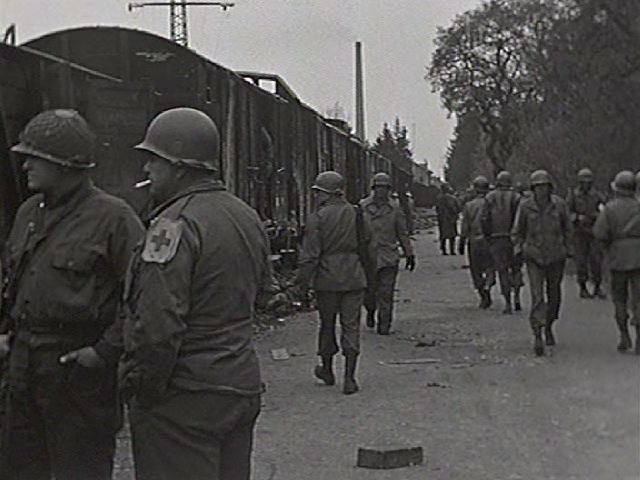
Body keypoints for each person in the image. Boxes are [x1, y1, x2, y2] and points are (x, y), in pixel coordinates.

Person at [119, 108, 273, 480]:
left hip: (185, 399)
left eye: (153, 160)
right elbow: (265, 294)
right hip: (239, 386)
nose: (147, 170)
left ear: (179, 165)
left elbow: (159, 324)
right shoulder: (245, 215)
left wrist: (146, 391)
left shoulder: (171, 226)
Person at [0, 109, 144, 479]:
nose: (25, 164)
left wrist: (104, 352)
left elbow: (141, 298)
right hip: (23, 369)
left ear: (64, 164)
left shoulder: (114, 218)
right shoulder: (29, 213)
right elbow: (14, 280)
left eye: (35, 157)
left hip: (77, 373)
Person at [296, 171, 375, 394]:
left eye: (318, 192)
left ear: (328, 193)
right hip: (354, 275)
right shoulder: (358, 213)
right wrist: (369, 276)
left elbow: (310, 254)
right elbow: (370, 245)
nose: (316, 196)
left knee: (327, 325)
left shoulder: (317, 218)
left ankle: (328, 370)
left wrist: (302, 282)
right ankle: (350, 378)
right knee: (351, 326)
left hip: (327, 278)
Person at [512, 170, 572, 357]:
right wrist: (519, 247)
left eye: (544, 186)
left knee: (554, 295)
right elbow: (517, 231)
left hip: (556, 255)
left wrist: (568, 248)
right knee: (537, 295)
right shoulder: (525, 206)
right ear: (533, 188)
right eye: (538, 187)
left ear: (550, 187)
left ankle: (549, 325)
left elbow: (568, 229)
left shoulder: (560, 205)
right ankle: (537, 333)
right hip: (534, 255)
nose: (541, 190)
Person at [360, 172, 415, 335]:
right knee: (369, 292)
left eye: (385, 188)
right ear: (373, 188)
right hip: (368, 257)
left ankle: (384, 324)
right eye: (378, 188)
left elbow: (402, 232)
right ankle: (370, 311)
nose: (381, 191)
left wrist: (409, 253)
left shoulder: (394, 209)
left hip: (388, 255)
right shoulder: (363, 207)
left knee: (386, 292)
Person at [593, 171, 640, 354]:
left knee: (619, 298)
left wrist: (608, 249)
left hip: (618, 257)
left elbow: (600, 234)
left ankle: (624, 336)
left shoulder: (610, 209)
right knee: (639, 298)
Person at [481, 170, 523, 313]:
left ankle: (508, 303)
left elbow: (484, 219)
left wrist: (488, 236)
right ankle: (517, 296)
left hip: (496, 238)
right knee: (516, 269)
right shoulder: (517, 198)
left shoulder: (489, 197)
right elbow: (521, 220)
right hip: (514, 238)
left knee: (502, 271)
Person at [566, 168, 606, 298]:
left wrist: (598, 215)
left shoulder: (597, 195)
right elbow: (567, 213)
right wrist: (577, 217)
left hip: (594, 231)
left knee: (596, 260)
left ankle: (597, 286)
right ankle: (582, 287)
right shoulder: (573, 195)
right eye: (583, 181)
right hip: (579, 232)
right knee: (581, 261)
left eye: (588, 181)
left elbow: (604, 210)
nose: (586, 184)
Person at [459, 176, 495, 309]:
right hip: (489, 241)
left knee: (476, 270)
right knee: (490, 267)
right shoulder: (491, 204)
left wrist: (462, 241)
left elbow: (465, 225)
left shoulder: (469, 206)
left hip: (474, 241)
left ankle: (482, 293)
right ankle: (488, 285)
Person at [435, 183, 461, 255]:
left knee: (443, 234)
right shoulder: (452, 198)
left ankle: (443, 250)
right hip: (451, 218)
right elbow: (458, 208)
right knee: (452, 235)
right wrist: (455, 213)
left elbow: (437, 208)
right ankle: (452, 250)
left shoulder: (438, 198)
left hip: (442, 218)